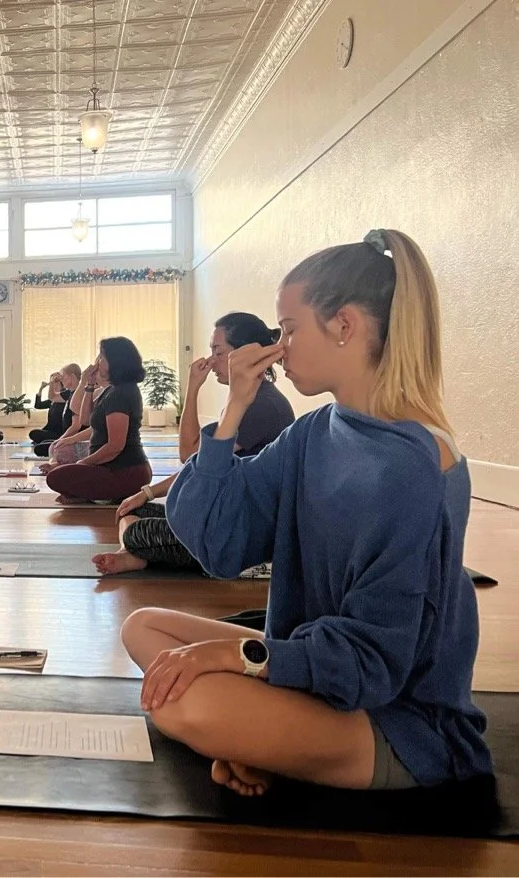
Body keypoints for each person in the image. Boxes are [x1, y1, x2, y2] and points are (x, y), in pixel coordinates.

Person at [122, 229, 491, 798]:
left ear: (344, 326)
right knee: (144, 627)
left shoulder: (415, 466)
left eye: (289, 329)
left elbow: (372, 662)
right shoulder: (317, 430)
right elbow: (218, 544)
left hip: (393, 718)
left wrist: (237, 656)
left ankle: (259, 740)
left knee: (189, 705)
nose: (279, 346)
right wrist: (233, 406)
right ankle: (263, 740)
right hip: (309, 680)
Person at [93, 312, 295, 575]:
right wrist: (147, 493)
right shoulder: (249, 398)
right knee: (132, 511)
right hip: (218, 506)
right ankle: (135, 555)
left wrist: (192, 388)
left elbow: (188, 454)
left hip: (233, 529)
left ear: (245, 354)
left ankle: (135, 553)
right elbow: (200, 465)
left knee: (136, 531)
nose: (211, 360)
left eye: (218, 351)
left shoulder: (262, 406)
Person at [43, 338, 152, 502]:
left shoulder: (120, 394)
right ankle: (88, 492)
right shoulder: (112, 390)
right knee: (59, 473)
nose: (98, 362)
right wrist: (89, 385)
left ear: (115, 362)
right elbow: (86, 419)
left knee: (56, 477)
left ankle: (93, 493)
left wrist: (82, 463)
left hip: (125, 470)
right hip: (111, 467)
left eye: (102, 357)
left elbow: (115, 446)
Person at [31, 364, 82, 454]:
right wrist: (51, 383)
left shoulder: (79, 394)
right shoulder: (69, 393)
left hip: (73, 439)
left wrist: (61, 440)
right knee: (41, 446)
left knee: (40, 449)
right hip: (65, 436)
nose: (61, 379)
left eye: (63, 376)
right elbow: (52, 397)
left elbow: (76, 426)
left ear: (72, 377)